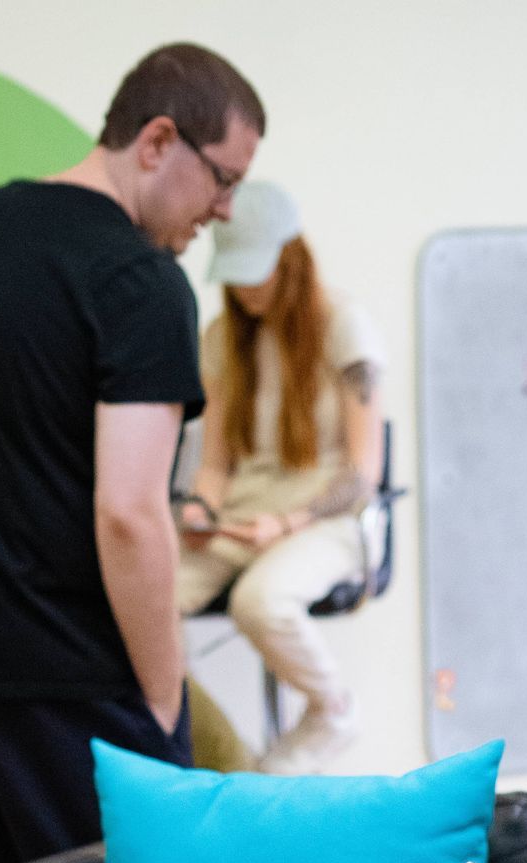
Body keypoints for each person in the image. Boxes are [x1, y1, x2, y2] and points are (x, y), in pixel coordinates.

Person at [0, 42, 265, 863]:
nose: (222, 210)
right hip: (59, 666)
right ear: (156, 142)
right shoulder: (141, 281)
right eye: (224, 179)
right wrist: (161, 699)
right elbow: (129, 514)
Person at [177, 182, 385, 774]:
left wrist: (287, 523)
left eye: (257, 273)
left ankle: (332, 712)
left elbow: (364, 474)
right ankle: (223, 761)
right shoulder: (221, 338)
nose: (245, 289)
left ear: (291, 257)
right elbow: (215, 463)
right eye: (234, 276)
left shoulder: (346, 328)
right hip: (244, 515)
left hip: (329, 519)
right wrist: (198, 510)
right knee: (135, 598)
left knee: (260, 602)